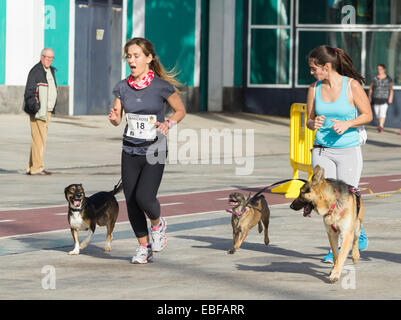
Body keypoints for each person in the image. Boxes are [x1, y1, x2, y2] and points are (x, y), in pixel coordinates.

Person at [108, 37, 186, 264]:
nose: (131, 60)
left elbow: (180, 110)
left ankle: (157, 223)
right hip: (129, 150)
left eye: (136, 56)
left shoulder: (162, 86)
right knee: (131, 201)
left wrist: (168, 123)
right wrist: (114, 118)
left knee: (144, 197)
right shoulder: (122, 87)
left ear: (149, 58)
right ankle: (144, 247)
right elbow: (117, 117)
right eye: (129, 56)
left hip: (155, 149)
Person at [306, 45, 372, 263]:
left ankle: (357, 234)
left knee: (345, 200)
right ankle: (334, 249)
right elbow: (309, 120)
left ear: (327, 66)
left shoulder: (351, 86)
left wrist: (348, 124)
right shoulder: (314, 89)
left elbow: (367, 115)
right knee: (324, 201)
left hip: (348, 151)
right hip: (322, 150)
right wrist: (312, 123)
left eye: (314, 68)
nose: (312, 72)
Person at [23, 48, 57, 175]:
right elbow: (29, 92)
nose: (49, 60)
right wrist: (37, 108)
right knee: (39, 139)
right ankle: (37, 168)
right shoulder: (36, 71)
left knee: (38, 139)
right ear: (41, 57)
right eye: (47, 57)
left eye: (51, 58)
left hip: (46, 110)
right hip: (39, 112)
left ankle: (31, 166)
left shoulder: (49, 70)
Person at [368, 64, 394, 133]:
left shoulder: (388, 78)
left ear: (384, 69)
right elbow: (371, 88)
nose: (379, 70)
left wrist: (390, 97)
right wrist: (369, 97)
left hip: (385, 98)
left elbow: (391, 89)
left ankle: (381, 126)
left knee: (383, 112)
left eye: (380, 69)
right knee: (377, 113)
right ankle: (380, 125)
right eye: (378, 69)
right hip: (376, 98)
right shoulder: (375, 78)